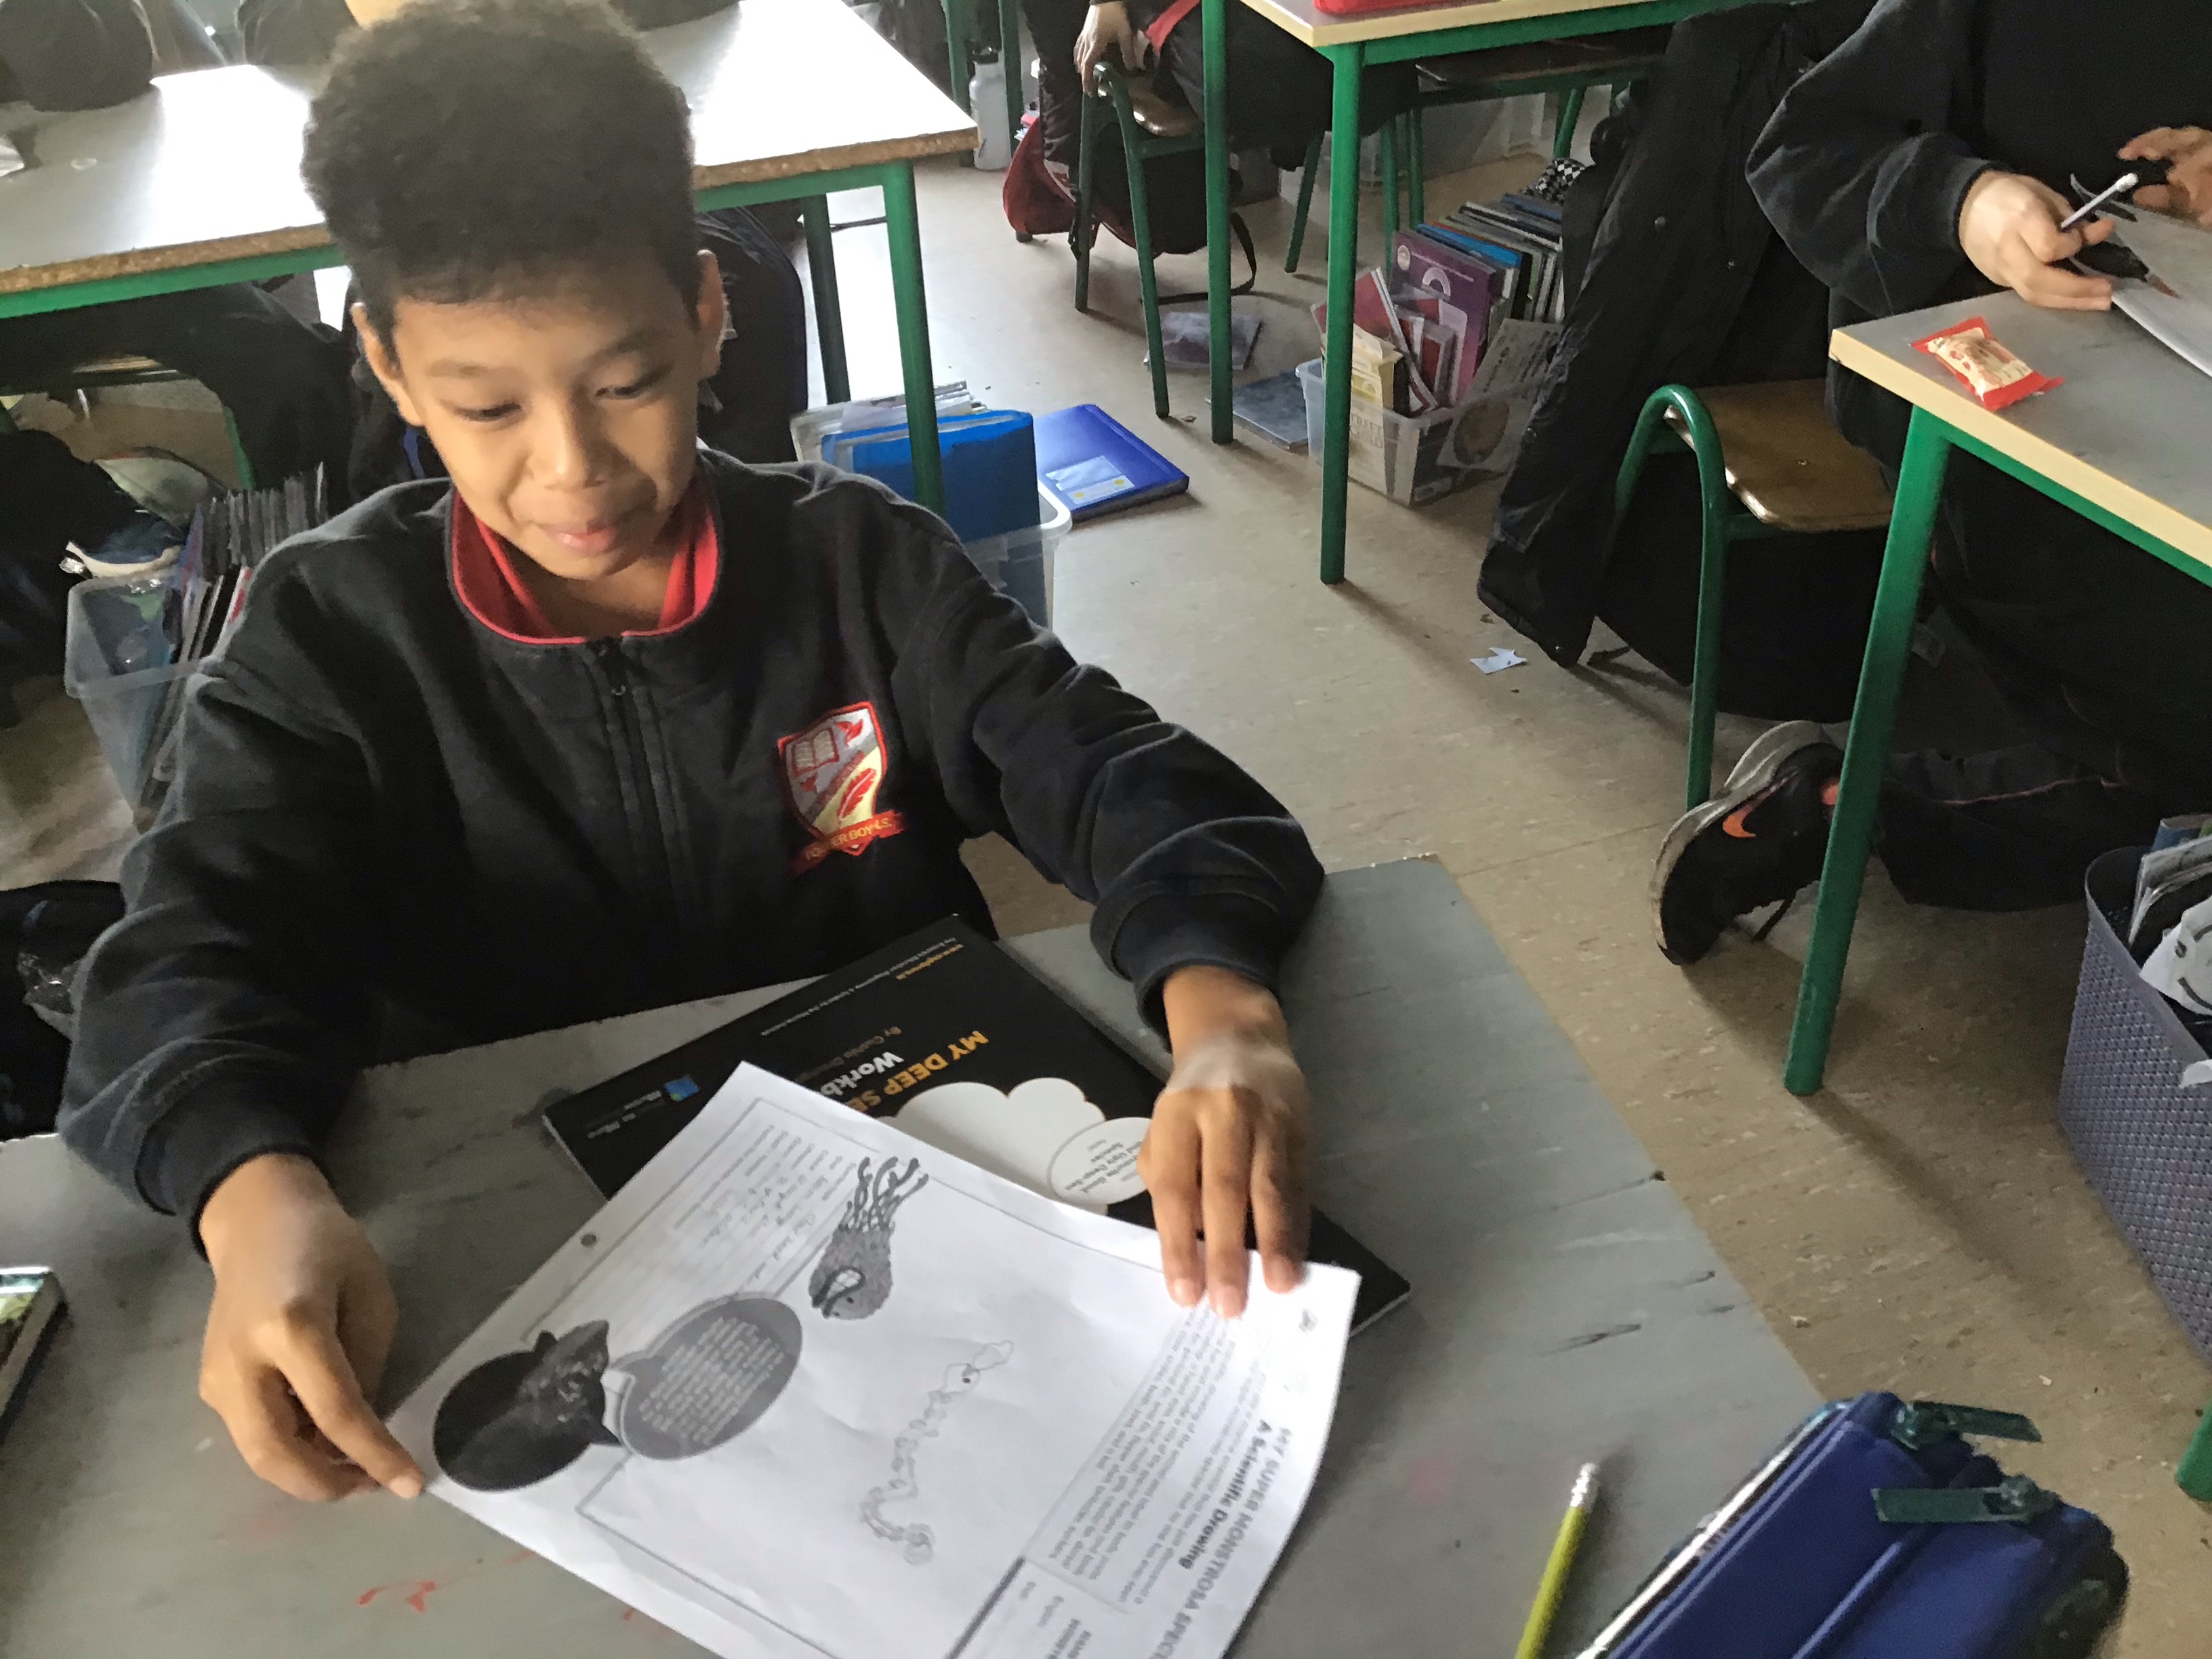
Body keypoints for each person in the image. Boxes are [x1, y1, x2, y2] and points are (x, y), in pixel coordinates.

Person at [57, 0, 1326, 1506]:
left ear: (709, 314)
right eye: (486, 406)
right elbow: (183, 950)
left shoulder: (863, 567)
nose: (572, 469)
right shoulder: (330, 634)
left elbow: (1131, 780)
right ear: (388, 366)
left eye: (627, 384)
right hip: (526, 1252)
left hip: (899, 1200)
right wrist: (250, 1191)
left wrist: (1226, 1017)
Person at [1651, 0, 2212, 964]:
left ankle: (1847, 804)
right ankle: (1851, 806)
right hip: (2011, 445)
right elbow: (1803, 152)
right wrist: (1963, 201)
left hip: (2174, 409)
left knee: (2173, 766)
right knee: (2175, 750)